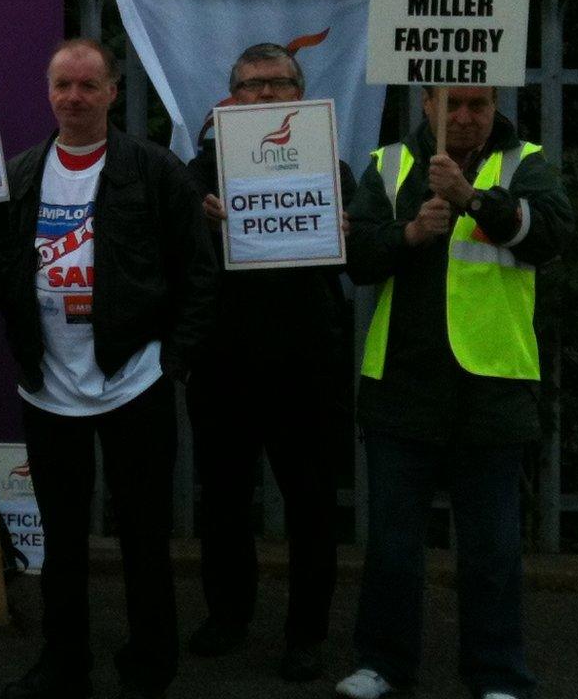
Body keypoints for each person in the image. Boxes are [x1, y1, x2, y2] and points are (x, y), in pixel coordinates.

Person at [0, 38, 216, 699]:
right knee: (62, 537)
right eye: (62, 86)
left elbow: (198, 272)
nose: (74, 98)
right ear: (49, 93)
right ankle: (65, 663)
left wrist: (174, 361)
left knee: (144, 536)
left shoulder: (155, 170)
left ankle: (149, 664)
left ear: (113, 91)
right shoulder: (22, 175)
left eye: (88, 85)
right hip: (50, 387)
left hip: (134, 381)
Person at [335, 85, 571, 699]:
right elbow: (356, 255)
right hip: (402, 385)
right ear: (427, 105)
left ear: (495, 107)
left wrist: (473, 200)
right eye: (454, 104)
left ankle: (497, 672)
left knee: (492, 549)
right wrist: (409, 234)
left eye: (479, 105)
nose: (466, 117)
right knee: (391, 545)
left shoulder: (525, 162)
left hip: (491, 385)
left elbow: (549, 238)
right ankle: (382, 664)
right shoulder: (389, 165)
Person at [182, 43, 356, 681]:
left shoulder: (332, 169)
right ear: (231, 96)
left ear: (299, 94)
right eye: (248, 85)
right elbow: (175, 258)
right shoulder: (198, 176)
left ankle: (305, 634)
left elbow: (354, 261)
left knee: (311, 502)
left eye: (276, 84)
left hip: (306, 362)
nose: (261, 96)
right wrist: (198, 223)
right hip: (224, 363)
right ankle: (228, 616)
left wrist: (345, 229)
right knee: (224, 499)